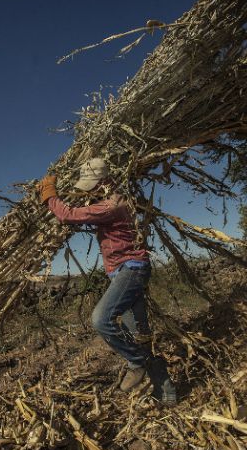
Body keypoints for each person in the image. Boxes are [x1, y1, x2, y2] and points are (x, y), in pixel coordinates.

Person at [38, 158, 177, 405]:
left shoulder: (112, 205)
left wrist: (49, 194)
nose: (90, 191)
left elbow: (67, 215)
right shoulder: (115, 200)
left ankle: (135, 363)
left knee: (101, 319)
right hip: (126, 272)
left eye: (92, 185)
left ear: (105, 182)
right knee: (140, 336)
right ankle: (166, 393)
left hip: (130, 270)